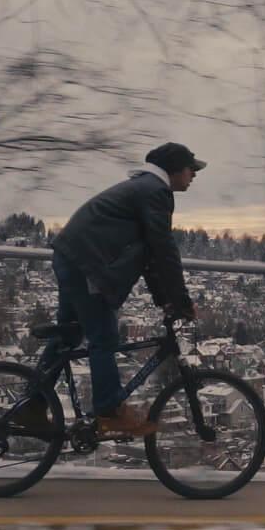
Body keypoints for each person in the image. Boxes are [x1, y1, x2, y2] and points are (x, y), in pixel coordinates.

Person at [48, 143, 203, 437]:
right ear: (174, 169)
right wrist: (181, 301)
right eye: (191, 168)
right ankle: (109, 410)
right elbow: (164, 250)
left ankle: (31, 405)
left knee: (68, 336)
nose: (194, 174)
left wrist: (166, 300)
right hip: (88, 265)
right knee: (104, 337)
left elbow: (149, 256)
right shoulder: (155, 191)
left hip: (72, 258)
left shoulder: (143, 189)